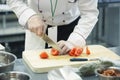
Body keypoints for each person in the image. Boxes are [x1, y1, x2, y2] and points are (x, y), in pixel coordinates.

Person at [6, 0, 99, 54]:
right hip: (38, 28)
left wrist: (74, 40)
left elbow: (89, 13)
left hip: (70, 31)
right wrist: (28, 15)